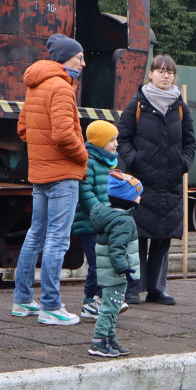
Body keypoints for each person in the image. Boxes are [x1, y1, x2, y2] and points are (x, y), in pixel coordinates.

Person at [11, 34, 89, 326]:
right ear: (66, 58)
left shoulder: (36, 85)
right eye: (78, 57)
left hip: (40, 173)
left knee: (35, 235)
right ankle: (51, 306)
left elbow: (22, 129)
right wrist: (83, 156)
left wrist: (41, 151)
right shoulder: (62, 87)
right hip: (63, 174)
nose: (82, 62)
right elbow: (62, 133)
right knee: (57, 239)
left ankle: (22, 301)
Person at [115, 55, 196, 305]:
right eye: (160, 71)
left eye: (169, 72)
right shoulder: (137, 104)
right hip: (141, 181)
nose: (165, 75)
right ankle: (132, 288)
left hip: (170, 181)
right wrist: (135, 161)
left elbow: (190, 141)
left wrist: (183, 163)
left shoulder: (180, 107)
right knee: (137, 235)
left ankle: (156, 289)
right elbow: (123, 138)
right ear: (150, 74)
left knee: (163, 236)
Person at [72, 120, 128, 318]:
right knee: (98, 262)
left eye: (116, 139)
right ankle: (96, 300)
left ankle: (94, 300)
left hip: (105, 221)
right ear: (99, 141)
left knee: (103, 261)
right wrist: (102, 213)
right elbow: (86, 193)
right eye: (112, 140)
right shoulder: (89, 161)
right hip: (89, 223)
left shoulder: (109, 162)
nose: (116, 144)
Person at [87, 171, 144, 358]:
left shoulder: (110, 216)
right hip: (116, 273)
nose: (140, 197)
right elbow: (116, 248)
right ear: (128, 199)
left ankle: (111, 339)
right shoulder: (124, 221)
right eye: (137, 193)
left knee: (113, 306)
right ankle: (98, 341)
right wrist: (124, 269)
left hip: (108, 271)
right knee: (111, 308)